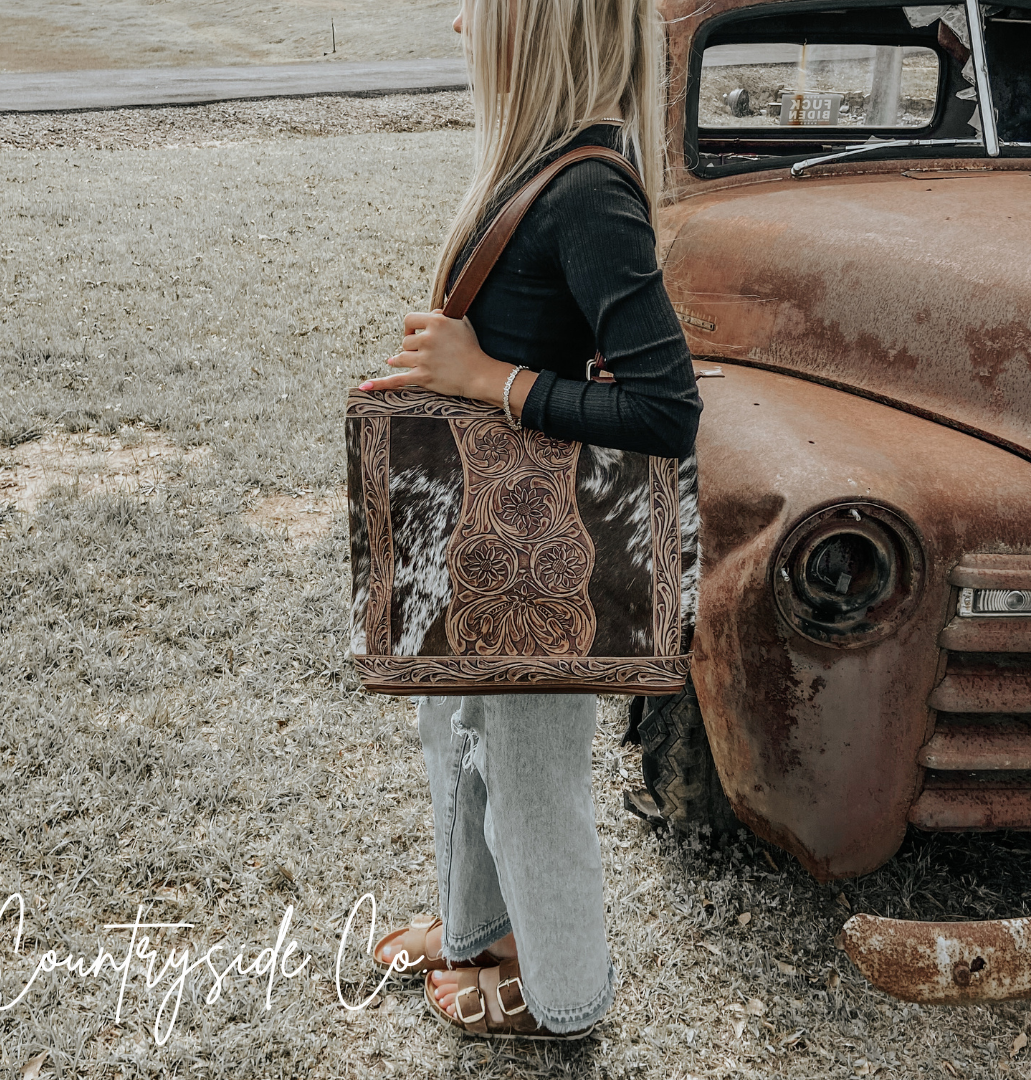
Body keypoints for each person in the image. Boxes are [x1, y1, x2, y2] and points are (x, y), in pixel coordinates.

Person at [357, 0, 701, 1039]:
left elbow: (665, 407)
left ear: (535, 25)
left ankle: (563, 997)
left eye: (478, 4)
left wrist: (487, 377)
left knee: (531, 779)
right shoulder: (546, 166)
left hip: (541, 551)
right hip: (489, 537)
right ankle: (476, 934)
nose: (457, 21)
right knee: (461, 736)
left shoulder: (590, 191)